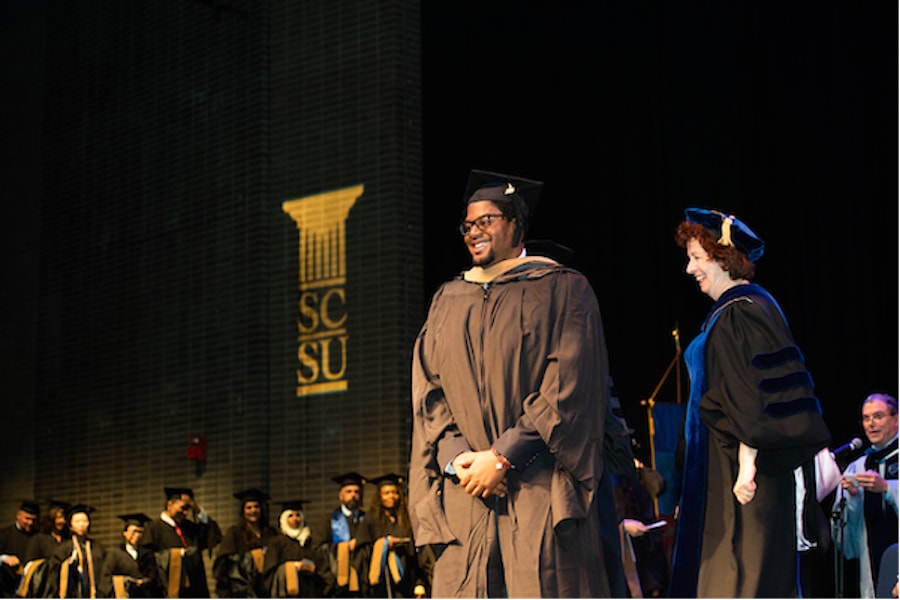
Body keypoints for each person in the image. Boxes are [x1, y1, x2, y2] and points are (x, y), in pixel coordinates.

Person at [408, 169, 614, 597]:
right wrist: (459, 458)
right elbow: (429, 392)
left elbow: (569, 386)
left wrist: (502, 457)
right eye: (468, 224)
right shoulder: (448, 299)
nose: (473, 232)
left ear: (516, 224)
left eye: (486, 221)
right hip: (468, 494)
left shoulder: (563, 288)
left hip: (539, 483)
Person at [668, 208, 833, 598]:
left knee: (740, 581)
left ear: (723, 257)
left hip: (742, 485)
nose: (689, 269)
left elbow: (755, 398)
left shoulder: (743, 312)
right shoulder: (733, 311)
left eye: (696, 258)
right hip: (719, 478)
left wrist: (745, 465)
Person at [832, 392, 898, 598]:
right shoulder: (857, 466)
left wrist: (887, 488)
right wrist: (852, 498)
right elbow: (847, 540)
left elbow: (887, 489)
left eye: (878, 416)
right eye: (866, 418)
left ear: (896, 419)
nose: (871, 424)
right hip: (872, 561)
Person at [140, 487, 221, 598]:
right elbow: (146, 560)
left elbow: (209, 535)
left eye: (188, 508)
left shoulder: (188, 527)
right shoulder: (154, 528)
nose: (186, 512)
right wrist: (175, 556)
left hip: (194, 587)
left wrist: (197, 509)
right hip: (169, 589)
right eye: (183, 508)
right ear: (170, 505)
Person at [355, 473, 426, 598]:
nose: (391, 496)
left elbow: (418, 554)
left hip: (407, 581)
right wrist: (383, 544)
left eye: (394, 492)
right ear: (379, 497)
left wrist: (419, 582)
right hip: (380, 584)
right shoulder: (370, 519)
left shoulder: (406, 519)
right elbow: (361, 550)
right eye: (386, 493)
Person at [214, 488, 279, 598]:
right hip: (242, 590)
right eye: (249, 507)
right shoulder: (234, 533)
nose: (253, 511)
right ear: (243, 511)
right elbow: (224, 565)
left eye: (256, 507)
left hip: (267, 588)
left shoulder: (270, 533)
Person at [315, 472, 370, 598]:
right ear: (341, 495)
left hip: (363, 583)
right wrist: (343, 548)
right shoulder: (328, 520)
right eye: (349, 491)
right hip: (336, 585)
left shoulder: (368, 520)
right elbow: (318, 550)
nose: (353, 495)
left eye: (356, 492)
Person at [263, 500, 326, 598]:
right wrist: (293, 567)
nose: (295, 519)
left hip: (309, 591)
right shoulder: (277, 542)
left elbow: (321, 566)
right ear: (283, 519)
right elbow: (270, 573)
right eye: (290, 516)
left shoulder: (309, 540)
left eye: (298, 515)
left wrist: (313, 569)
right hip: (287, 594)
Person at [45, 504, 106, 598]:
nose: (81, 524)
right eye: (77, 521)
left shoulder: (97, 547)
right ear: (70, 526)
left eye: (85, 521)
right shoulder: (63, 549)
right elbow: (54, 575)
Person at [100, 513, 163, 598]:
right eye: (134, 531)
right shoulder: (115, 555)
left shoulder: (148, 554)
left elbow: (154, 577)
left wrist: (145, 581)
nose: (137, 535)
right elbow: (106, 578)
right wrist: (125, 581)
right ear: (125, 533)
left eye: (140, 532)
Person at [19, 500, 70, 597]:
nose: (62, 521)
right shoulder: (39, 539)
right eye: (58, 517)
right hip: (44, 590)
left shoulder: (69, 540)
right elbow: (29, 565)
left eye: (64, 518)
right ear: (51, 518)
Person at [0, 499, 38, 597]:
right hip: (7, 589)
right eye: (27, 519)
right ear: (18, 515)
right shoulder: (4, 534)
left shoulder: (37, 537)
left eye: (33, 520)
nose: (30, 523)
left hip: (30, 590)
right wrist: (4, 558)